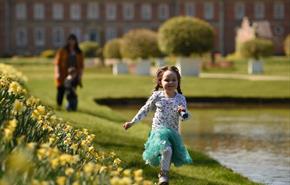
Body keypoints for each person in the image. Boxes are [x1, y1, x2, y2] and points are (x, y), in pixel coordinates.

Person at [123, 66, 192, 185]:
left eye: (174, 80)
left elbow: (183, 117)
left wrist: (182, 112)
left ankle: (164, 173)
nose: (170, 82)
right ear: (160, 82)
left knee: (168, 154)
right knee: (167, 149)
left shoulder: (181, 98)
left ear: (178, 81)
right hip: (158, 130)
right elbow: (144, 110)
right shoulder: (157, 96)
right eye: (167, 80)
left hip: (173, 132)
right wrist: (132, 122)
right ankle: (163, 178)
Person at [54, 34, 84, 110]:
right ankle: (59, 106)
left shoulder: (79, 52)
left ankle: (71, 107)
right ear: (68, 41)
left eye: (73, 40)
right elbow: (57, 63)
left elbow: (81, 66)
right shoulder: (62, 51)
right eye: (70, 40)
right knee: (61, 90)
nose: (71, 42)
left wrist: (80, 76)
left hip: (73, 75)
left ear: (76, 41)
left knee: (72, 92)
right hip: (63, 74)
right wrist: (57, 73)